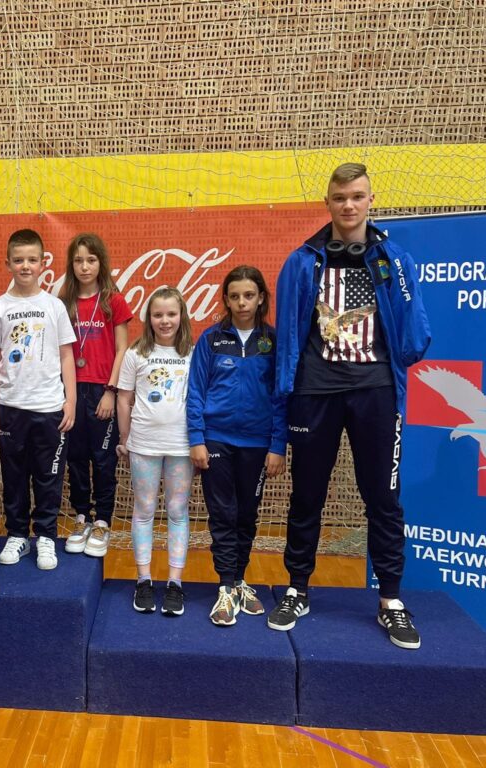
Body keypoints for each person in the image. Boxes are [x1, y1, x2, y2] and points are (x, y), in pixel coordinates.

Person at [270, 162, 431, 649]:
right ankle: (297, 589)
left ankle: (390, 600)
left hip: (375, 390)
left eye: (357, 196)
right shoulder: (301, 261)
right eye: (340, 198)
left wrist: (397, 353)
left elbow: (415, 329)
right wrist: (288, 389)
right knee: (307, 495)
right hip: (314, 392)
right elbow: (289, 335)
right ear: (327, 203)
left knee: (383, 497)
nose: (348, 205)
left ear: (370, 200)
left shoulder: (394, 259)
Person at [188, 266, 287, 627]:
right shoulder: (211, 339)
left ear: (261, 298)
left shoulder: (273, 341)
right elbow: (195, 392)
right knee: (222, 514)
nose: (242, 302)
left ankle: (241, 580)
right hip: (216, 439)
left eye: (249, 295)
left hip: (258, 444)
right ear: (226, 300)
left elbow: (282, 397)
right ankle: (226, 586)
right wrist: (197, 439)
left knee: (247, 514)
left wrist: (278, 444)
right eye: (234, 296)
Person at [0, 229, 77, 570]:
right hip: (10, 407)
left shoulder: (54, 306)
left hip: (50, 408)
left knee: (49, 476)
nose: (25, 266)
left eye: (32, 260)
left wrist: (70, 401)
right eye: (18, 260)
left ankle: (47, 536)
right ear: (7, 263)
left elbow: (66, 355)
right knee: (14, 476)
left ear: (42, 264)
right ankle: (18, 534)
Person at [116, 288, 193, 616]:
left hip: (182, 446)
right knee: (144, 509)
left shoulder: (192, 353)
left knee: (177, 511)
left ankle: (175, 583)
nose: (165, 321)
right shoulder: (136, 353)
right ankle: (143, 579)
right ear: (149, 318)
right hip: (143, 444)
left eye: (171, 314)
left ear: (181, 316)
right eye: (158, 314)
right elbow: (123, 399)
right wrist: (125, 438)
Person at [60, 233, 132, 558]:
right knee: (75, 459)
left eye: (91, 260)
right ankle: (81, 517)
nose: (85, 266)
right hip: (72, 391)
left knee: (103, 461)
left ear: (101, 262)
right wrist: (67, 396)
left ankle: (102, 520)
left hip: (103, 391)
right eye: (78, 260)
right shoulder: (64, 302)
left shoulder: (113, 300)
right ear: (71, 265)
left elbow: (122, 349)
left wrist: (111, 391)